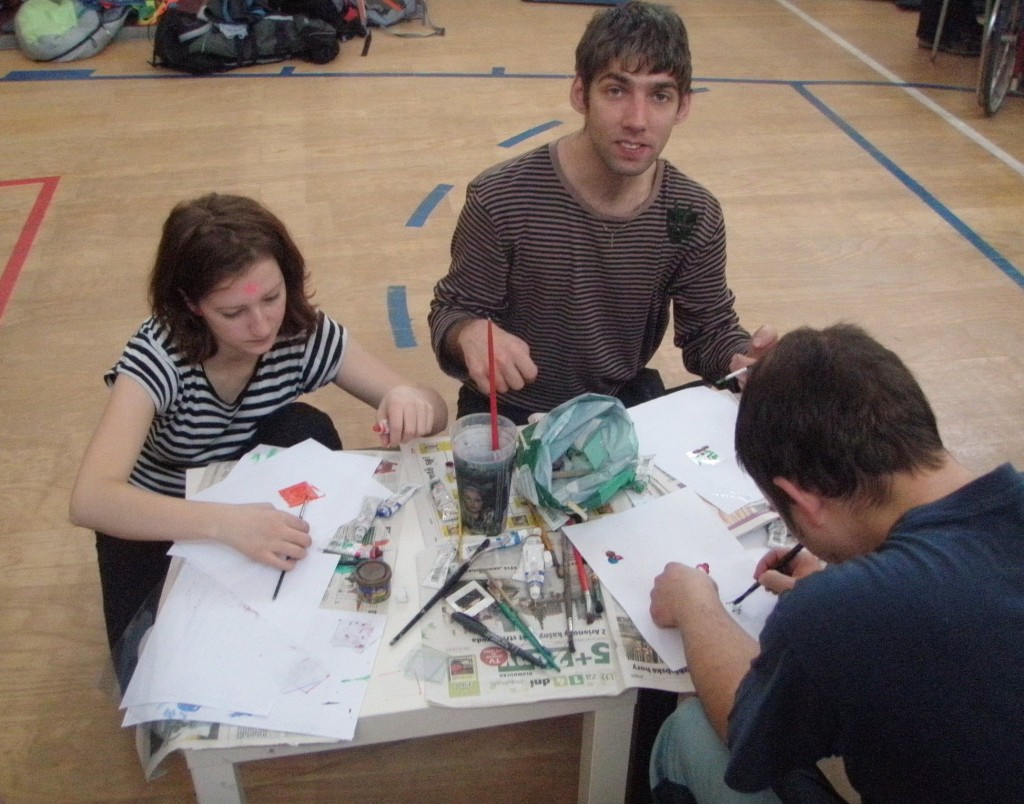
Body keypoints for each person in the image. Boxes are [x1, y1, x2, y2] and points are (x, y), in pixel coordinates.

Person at [648, 323, 1024, 803]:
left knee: (687, 735)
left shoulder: (842, 610)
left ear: (803, 500)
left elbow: (749, 740)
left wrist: (695, 604)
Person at [70, 193, 448, 665]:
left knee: (303, 428)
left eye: (272, 297)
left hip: (253, 508)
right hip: (161, 520)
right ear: (191, 304)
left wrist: (411, 399)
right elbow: (91, 500)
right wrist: (223, 522)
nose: (261, 324)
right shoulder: (159, 356)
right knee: (150, 665)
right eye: (233, 312)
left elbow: (434, 411)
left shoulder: (299, 331)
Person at [428, 0, 776, 427]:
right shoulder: (500, 197)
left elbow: (708, 332)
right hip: (508, 409)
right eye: (616, 90)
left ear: (683, 106)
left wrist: (742, 359)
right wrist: (468, 333)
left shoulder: (693, 212)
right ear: (581, 93)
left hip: (615, 403)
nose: (637, 119)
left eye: (660, 96)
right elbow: (454, 310)